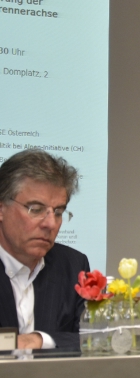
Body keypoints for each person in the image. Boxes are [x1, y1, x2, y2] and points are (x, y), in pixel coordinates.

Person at [0, 149, 88, 350]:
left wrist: (39, 340)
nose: (50, 223)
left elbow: (96, 340)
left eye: (58, 212)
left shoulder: (73, 265)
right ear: (1, 209)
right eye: (36, 209)